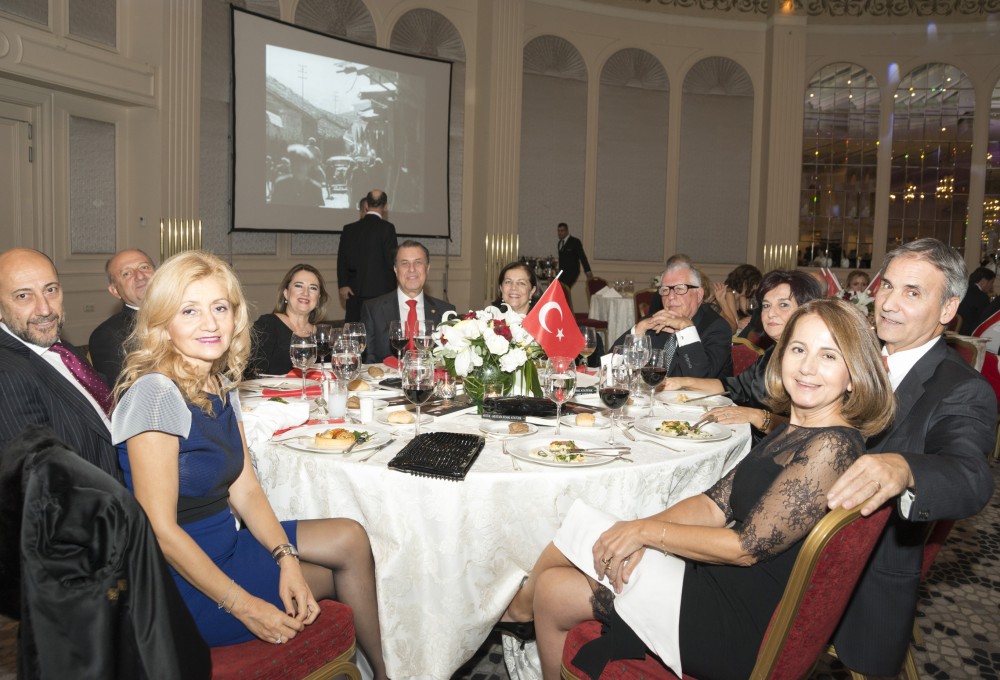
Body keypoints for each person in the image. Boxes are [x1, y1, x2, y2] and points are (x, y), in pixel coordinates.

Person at [499, 298, 894, 680]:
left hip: (736, 624)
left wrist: (646, 532)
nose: (807, 367)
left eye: (828, 356)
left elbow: (745, 548)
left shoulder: (832, 445)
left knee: (581, 524)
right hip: (720, 585)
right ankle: (523, 616)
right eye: (799, 349)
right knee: (553, 589)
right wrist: (636, 533)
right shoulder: (793, 430)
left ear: (853, 374)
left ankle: (515, 612)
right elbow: (711, 505)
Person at [110, 251, 389, 677]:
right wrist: (245, 606)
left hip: (229, 545)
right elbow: (161, 532)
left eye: (220, 308)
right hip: (185, 580)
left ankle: (383, 672)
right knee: (336, 576)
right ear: (163, 322)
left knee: (350, 537)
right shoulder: (156, 394)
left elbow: (246, 488)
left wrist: (286, 559)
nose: (210, 323)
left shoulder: (218, 382)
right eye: (190, 310)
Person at [827, 238, 995, 677]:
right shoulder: (856, 355)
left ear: (947, 309)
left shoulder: (961, 389)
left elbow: (971, 476)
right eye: (887, 286)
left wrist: (903, 467)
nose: (888, 303)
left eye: (912, 292)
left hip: (855, 564)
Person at [0, 248, 120, 480]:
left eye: (50, 290)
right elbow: (42, 483)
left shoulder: (63, 349)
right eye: (23, 296)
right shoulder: (7, 375)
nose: (45, 309)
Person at [662, 270, 825, 437]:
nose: (771, 313)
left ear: (806, 310)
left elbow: (812, 429)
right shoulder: (772, 354)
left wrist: (756, 416)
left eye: (783, 305)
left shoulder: (813, 363)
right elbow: (734, 386)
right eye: (766, 305)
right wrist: (679, 382)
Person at [612, 261, 732, 379]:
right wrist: (638, 330)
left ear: (699, 294)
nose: (670, 296)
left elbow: (701, 377)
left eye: (679, 289)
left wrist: (686, 329)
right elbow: (611, 364)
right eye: (665, 290)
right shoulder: (655, 320)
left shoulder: (717, 328)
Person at [361, 240, 455, 363]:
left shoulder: (446, 312)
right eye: (405, 263)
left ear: (427, 268)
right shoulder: (373, 310)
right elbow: (368, 362)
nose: (412, 269)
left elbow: (450, 361)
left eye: (418, 262)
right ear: (395, 269)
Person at [89, 248, 156, 385]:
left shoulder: (189, 313)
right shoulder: (107, 336)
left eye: (144, 267)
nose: (140, 276)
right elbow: (127, 393)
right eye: (127, 273)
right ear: (115, 291)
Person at [248, 264, 328, 377]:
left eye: (313, 288)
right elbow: (253, 374)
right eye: (299, 286)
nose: (306, 293)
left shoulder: (322, 336)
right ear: (286, 293)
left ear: (318, 298)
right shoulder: (268, 324)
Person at [338, 189, 398, 322]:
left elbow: (342, 260)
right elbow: (391, 261)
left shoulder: (349, 229)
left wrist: (343, 284)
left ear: (367, 205)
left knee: (354, 329)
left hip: (353, 290)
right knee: (379, 329)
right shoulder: (387, 228)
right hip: (381, 292)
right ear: (385, 206)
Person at [711, 264, 762, 333]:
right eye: (754, 284)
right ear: (744, 282)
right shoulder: (728, 293)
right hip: (722, 332)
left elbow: (749, 313)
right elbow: (735, 324)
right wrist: (742, 322)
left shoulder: (741, 296)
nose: (754, 288)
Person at [956, 266, 995, 334]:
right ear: (983, 282)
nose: (991, 286)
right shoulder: (982, 297)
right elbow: (985, 320)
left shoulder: (960, 289)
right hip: (968, 335)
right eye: (991, 283)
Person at [556, 223, 593, 288]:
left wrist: (588, 271)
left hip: (572, 271)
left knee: (565, 288)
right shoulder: (560, 243)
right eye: (558, 231)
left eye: (562, 231)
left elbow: (582, 257)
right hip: (561, 272)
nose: (560, 233)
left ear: (567, 231)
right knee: (557, 286)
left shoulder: (575, 241)